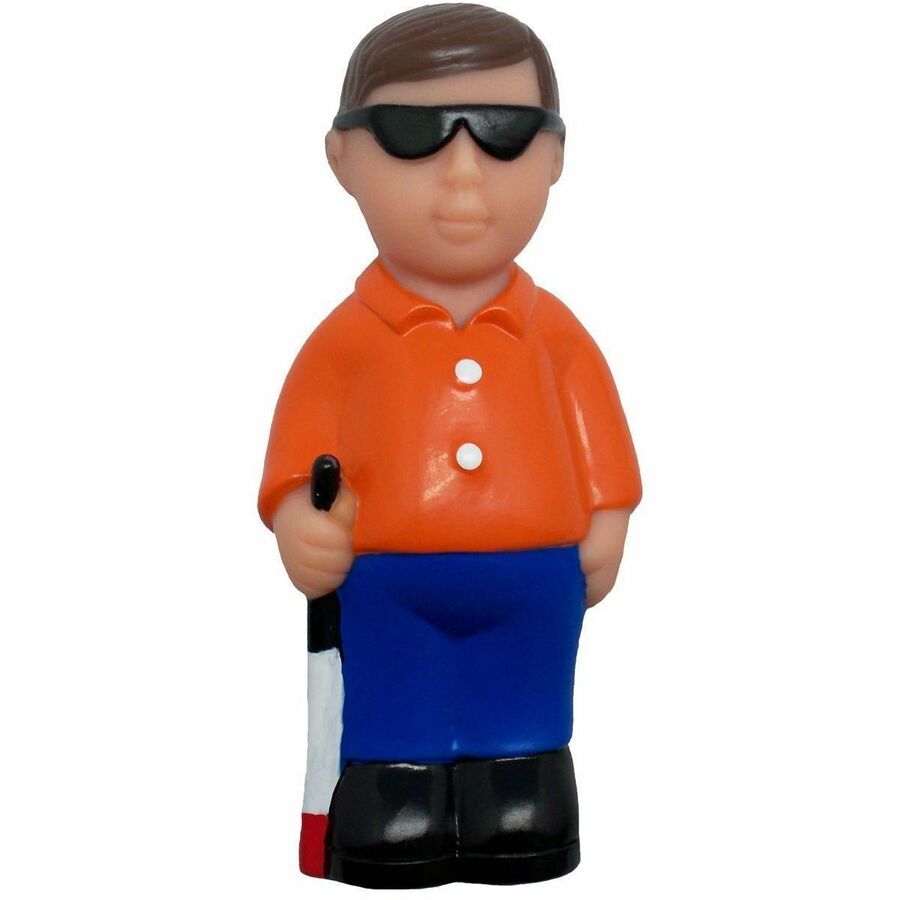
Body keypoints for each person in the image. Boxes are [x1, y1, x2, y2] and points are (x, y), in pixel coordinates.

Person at [258, 3, 642, 888]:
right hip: (388, 581)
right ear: (344, 158)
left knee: (527, 699)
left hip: (535, 579)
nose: (463, 175)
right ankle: (396, 805)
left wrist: (609, 516)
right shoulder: (345, 341)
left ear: (554, 156)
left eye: (504, 134)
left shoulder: (556, 335)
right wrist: (297, 516)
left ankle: (521, 799)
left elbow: (602, 443)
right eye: (412, 135)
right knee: (393, 702)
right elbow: (299, 452)